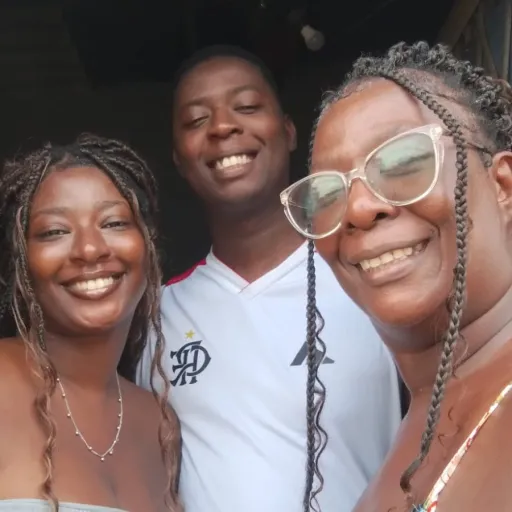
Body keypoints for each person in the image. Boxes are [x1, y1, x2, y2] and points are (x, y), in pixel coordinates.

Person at [138, 45, 401, 512]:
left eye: (246, 107)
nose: (223, 127)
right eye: (197, 120)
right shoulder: (156, 316)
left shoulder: (365, 275)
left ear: (289, 131)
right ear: (178, 158)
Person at [280, 40, 512, 511]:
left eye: (405, 163)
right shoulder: (419, 422)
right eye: (327, 194)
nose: (359, 208)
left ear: (502, 186)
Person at [0, 135, 181, 512]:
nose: (89, 249)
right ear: (23, 259)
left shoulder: (159, 425)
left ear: (148, 244)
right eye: (55, 231)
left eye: (113, 223)